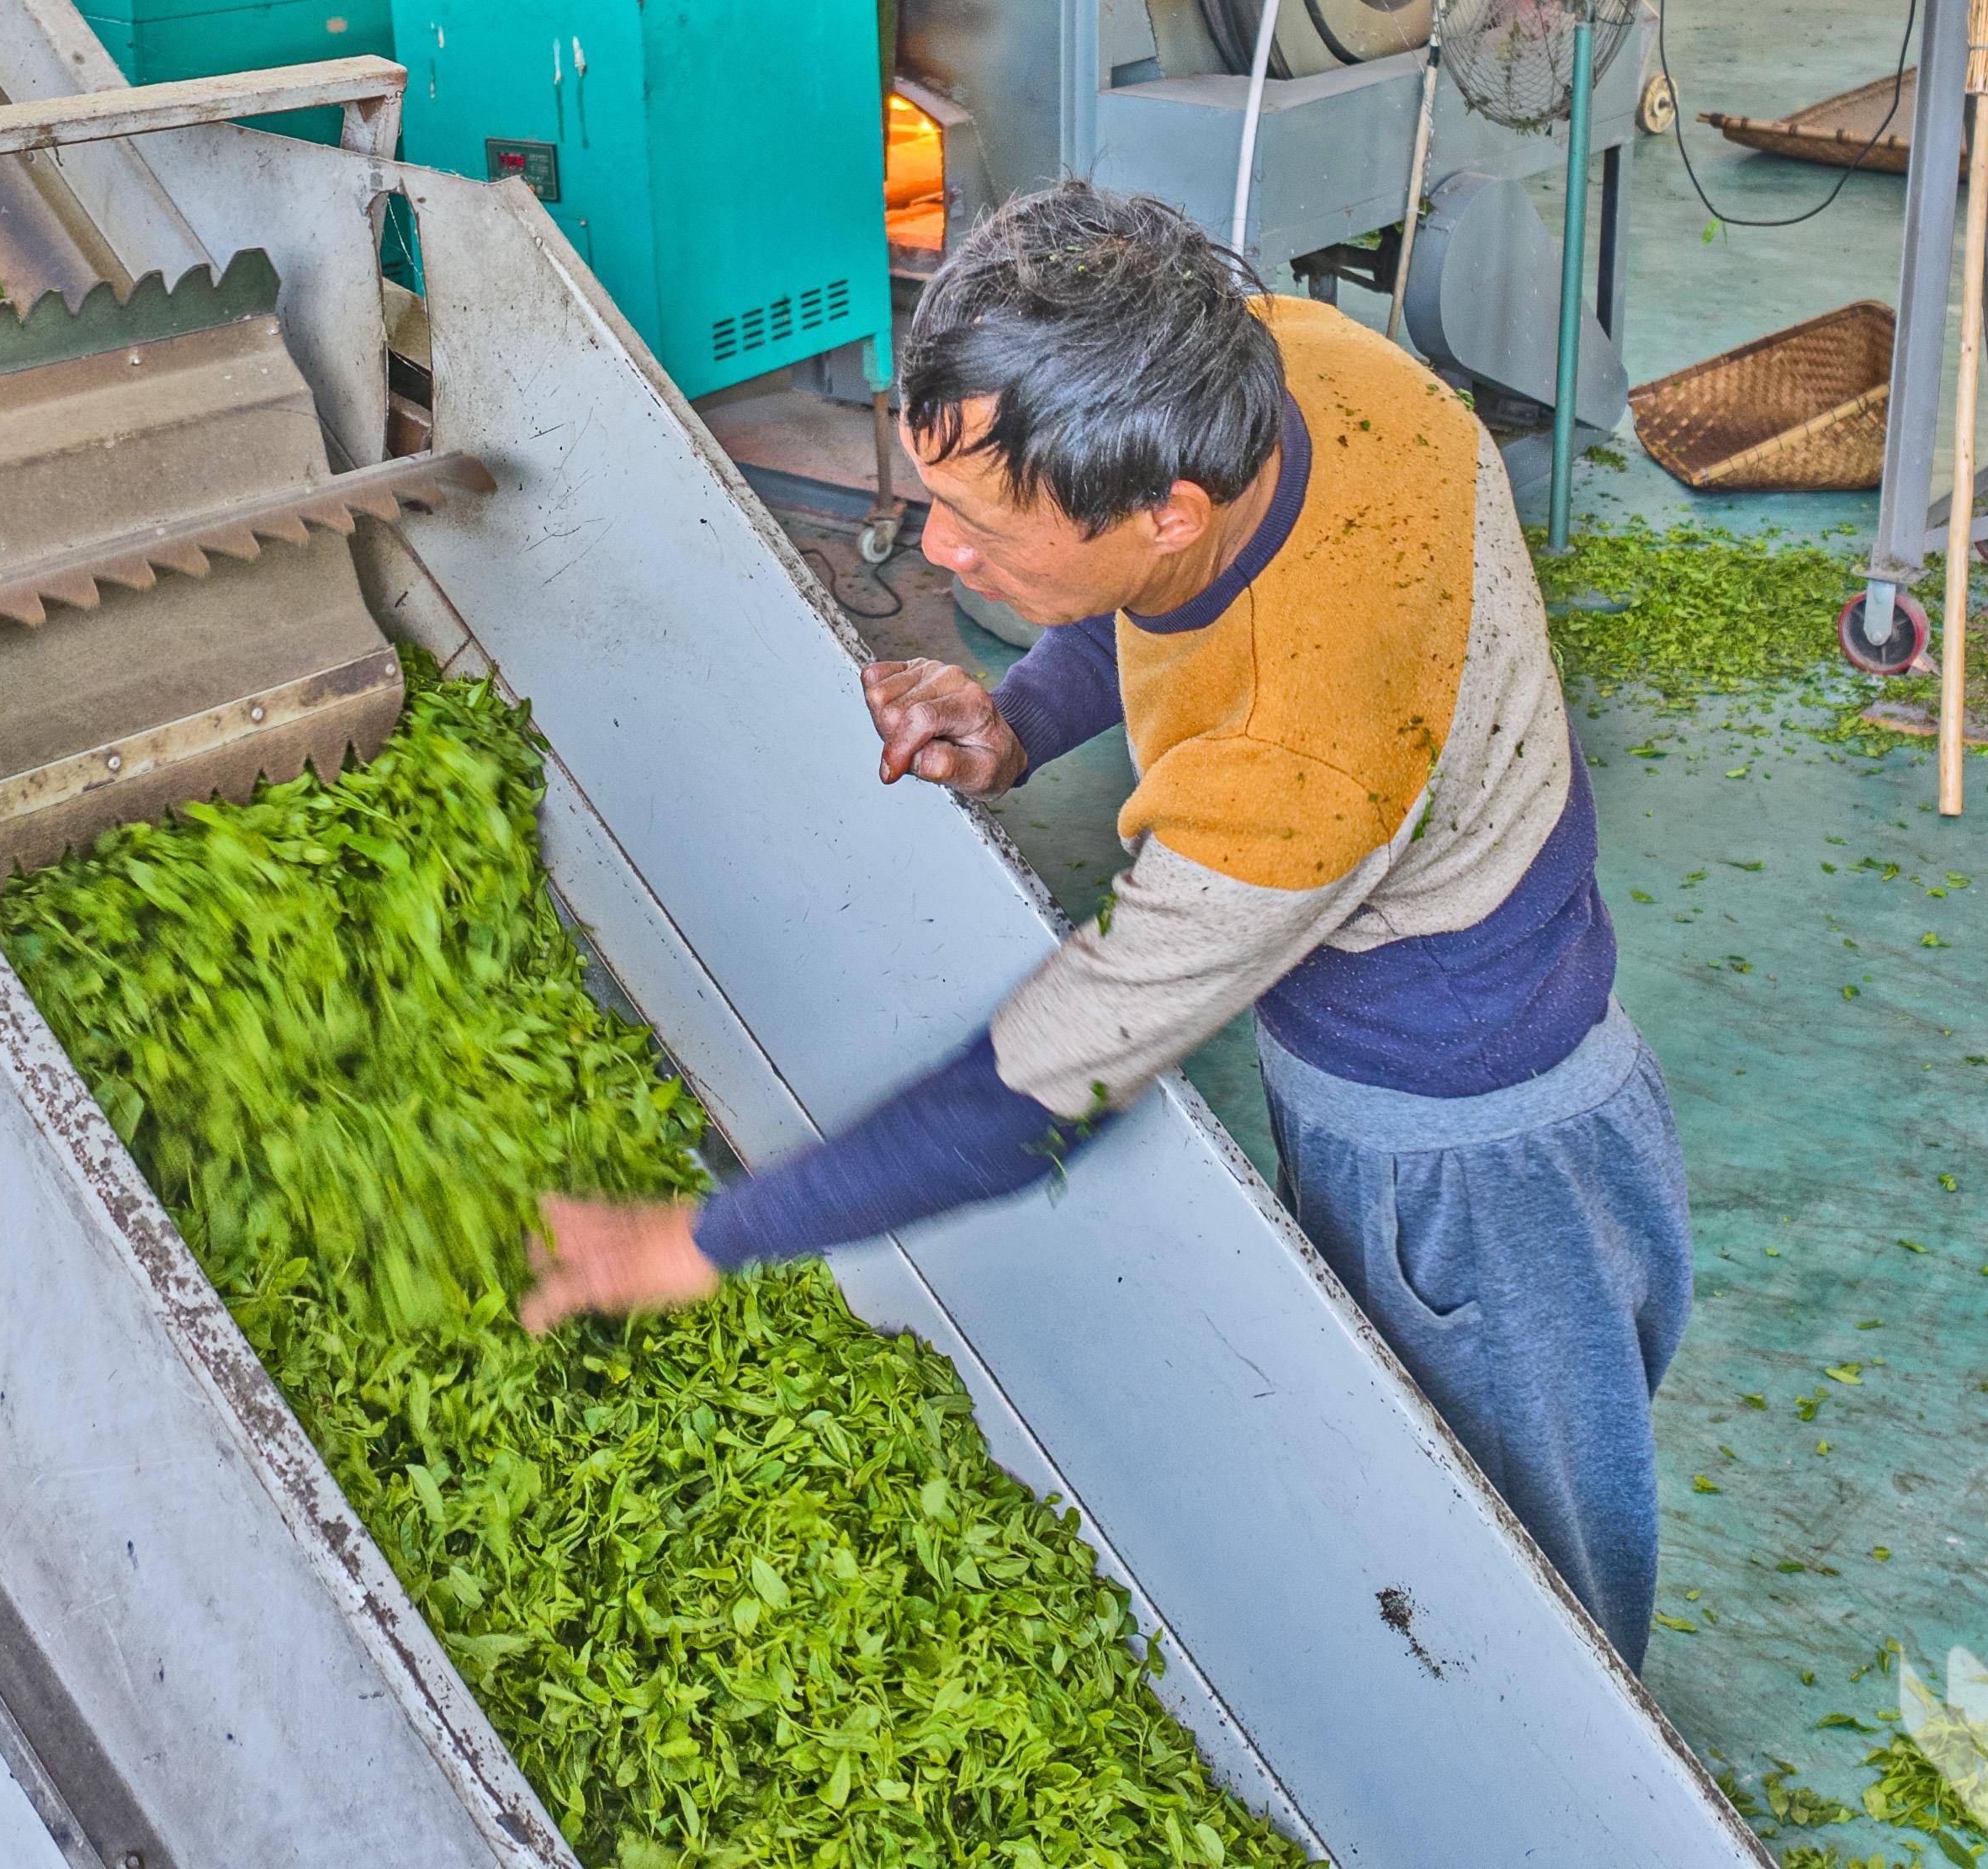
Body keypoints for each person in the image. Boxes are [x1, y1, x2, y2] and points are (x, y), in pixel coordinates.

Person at [517, 185, 1694, 1665]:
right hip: (1481, 1032)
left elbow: (1034, 1090)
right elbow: (1151, 604)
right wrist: (1012, 726)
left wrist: (712, 1237)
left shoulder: (1296, 767)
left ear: (1163, 507)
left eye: (978, 525)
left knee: (1541, 1595)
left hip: (1469, 1162)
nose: (937, 556)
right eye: (931, 494)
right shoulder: (1299, 368)